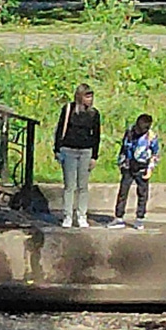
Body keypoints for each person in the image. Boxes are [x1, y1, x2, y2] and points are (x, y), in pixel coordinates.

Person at [52, 84, 100, 229]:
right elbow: (60, 129)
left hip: (86, 151)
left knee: (83, 186)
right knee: (69, 186)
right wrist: (57, 149)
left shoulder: (94, 113)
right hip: (69, 150)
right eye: (87, 96)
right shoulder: (69, 109)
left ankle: (82, 216)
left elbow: (96, 135)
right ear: (80, 96)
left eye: (91, 96)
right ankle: (67, 216)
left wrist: (94, 156)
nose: (90, 99)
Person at [114, 113, 160, 229]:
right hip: (128, 165)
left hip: (143, 167)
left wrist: (150, 169)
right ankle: (119, 217)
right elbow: (124, 148)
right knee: (123, 192)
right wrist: (121, 163)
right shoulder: (130, 132)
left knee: (142, 193)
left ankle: (139, 218)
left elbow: (155, 154)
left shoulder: (151, 137)